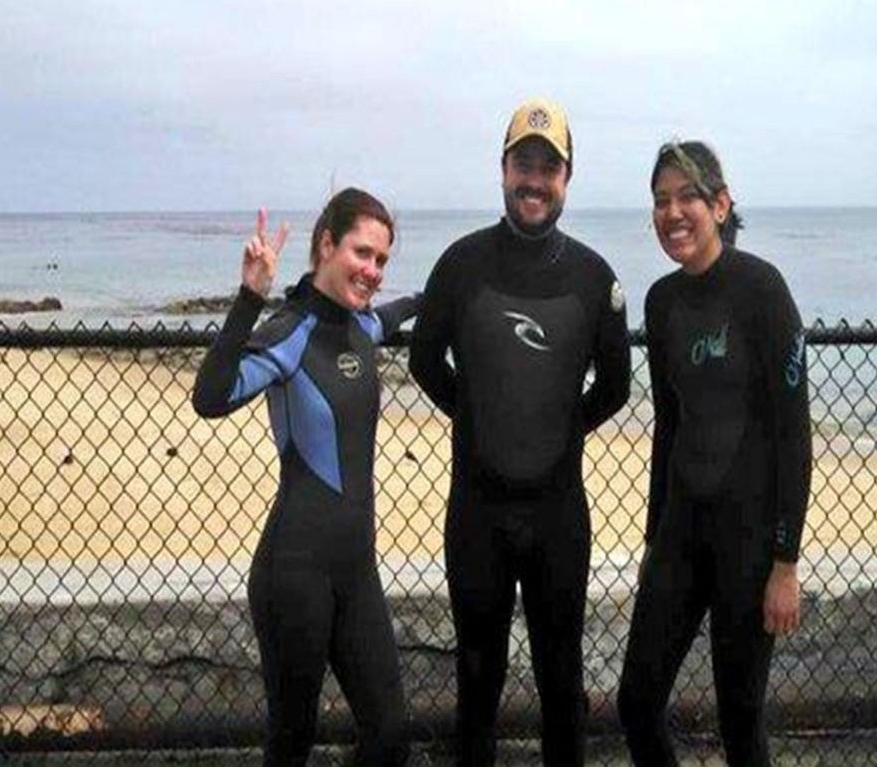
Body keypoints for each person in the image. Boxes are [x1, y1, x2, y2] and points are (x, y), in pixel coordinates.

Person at [408, 98, 631, 766]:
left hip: (558, 515)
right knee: (478, 677)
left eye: (548, 167)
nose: (534, 180)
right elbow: (424, 362)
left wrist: (561, 428)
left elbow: (616, 387)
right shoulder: (460, 264)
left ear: (567, 177)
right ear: (503, 169)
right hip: (476, 514)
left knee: (561, 679)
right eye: (523, 164)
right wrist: (478, 417)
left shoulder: (595, 278)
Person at [193, 189, 419, 766]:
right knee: (293, 738)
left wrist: (441, 294)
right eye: (362, 253)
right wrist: (250, 297)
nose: (372, 271)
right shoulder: (290, 332)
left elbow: (391, 316)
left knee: (390, 734)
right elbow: (211, 397)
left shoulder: (360, 327)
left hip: (356, 572)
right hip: (294, 574)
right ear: (326, 245)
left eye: (381, 260)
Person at [617, 141, 812, 767]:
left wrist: (785, 562)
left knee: (740, 720)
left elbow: (794, 434)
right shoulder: (661, 302)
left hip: (748, 545)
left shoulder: (762, 290)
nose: (672, 213)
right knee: (636, 702)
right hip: (679, 537)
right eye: (660, 200)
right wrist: (652, 540)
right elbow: (668, 428)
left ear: (720, 205)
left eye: (687, 197)